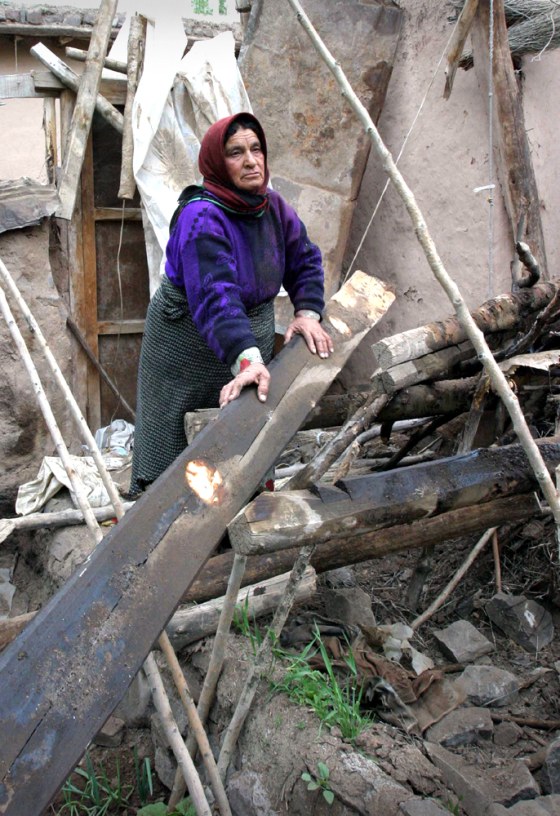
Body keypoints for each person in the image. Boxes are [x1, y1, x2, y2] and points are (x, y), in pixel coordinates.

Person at [129, 111, 333, 495]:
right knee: (174, 456)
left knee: (242, 444)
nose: (251, 160)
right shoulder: (201, 216)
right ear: (216, 163)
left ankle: (239, 519)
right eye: (236, 153)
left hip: (244, 342)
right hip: (186, 346)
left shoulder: (271, 207)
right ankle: (168, 541)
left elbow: (304, 258)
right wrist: (249, 360)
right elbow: (215, 295)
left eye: (256, 149)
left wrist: (307, 312)